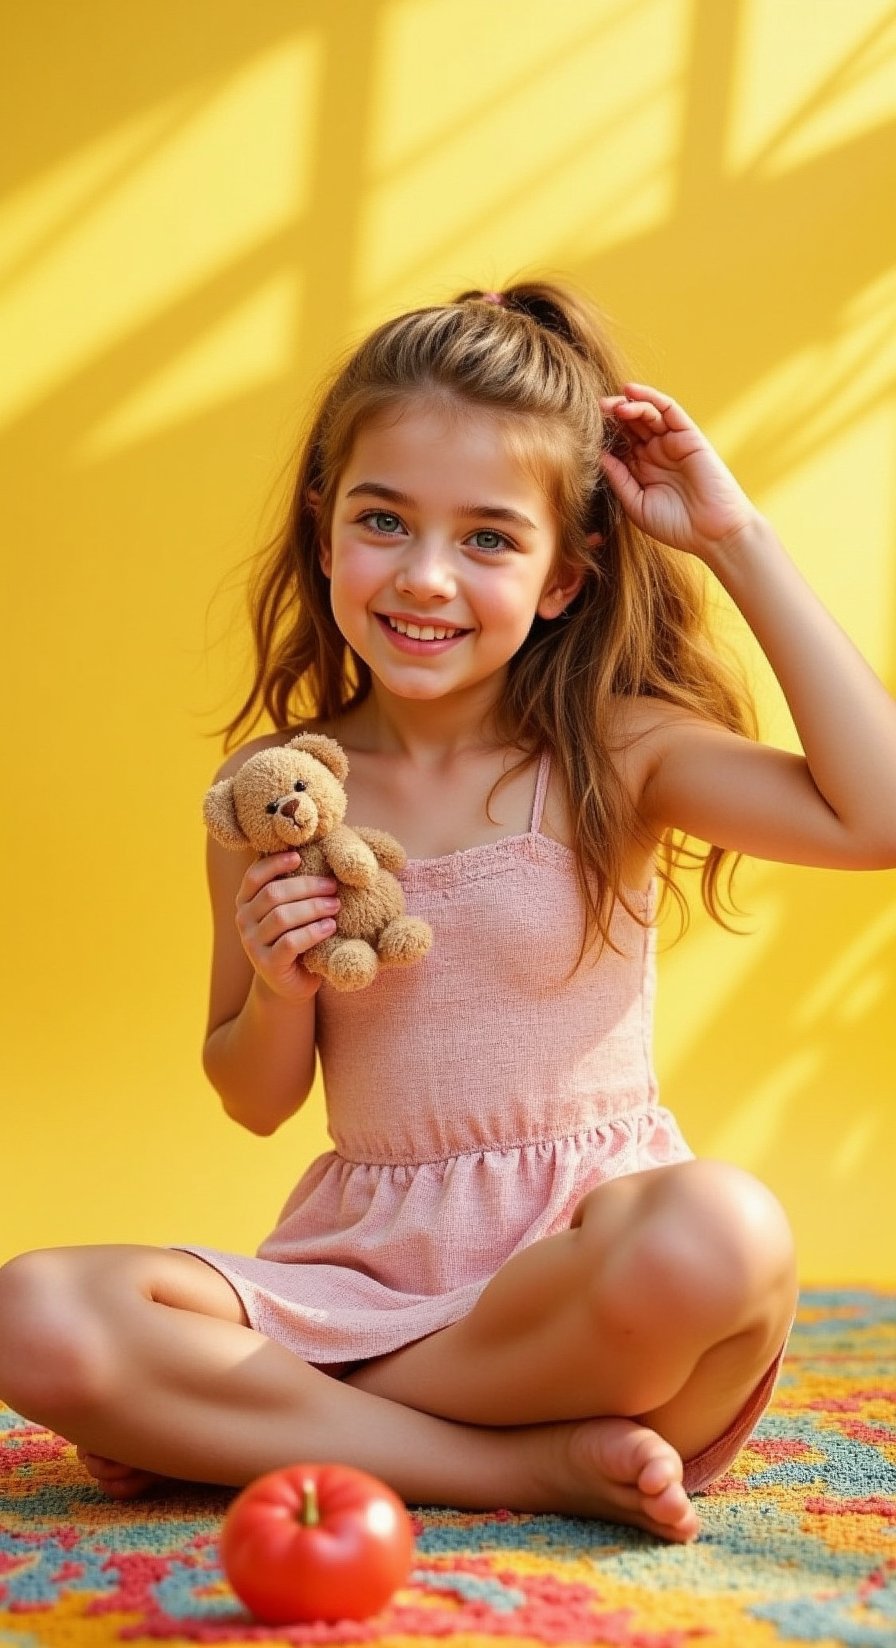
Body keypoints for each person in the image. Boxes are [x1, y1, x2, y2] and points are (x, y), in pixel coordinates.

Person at [2, 281, 894, 1545]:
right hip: (356, 1274)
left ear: (564, 577)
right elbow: (251, 1094)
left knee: (723, 1232)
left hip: (588, 1296)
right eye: (384, 520)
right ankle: (520, 1469)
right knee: (30, 1311)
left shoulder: (612, 750)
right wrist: (280, 983)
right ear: (324, 531)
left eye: (487, 538)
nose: (425, 576)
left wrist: (734, 534)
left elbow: (881, 819)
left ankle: (275, 1418)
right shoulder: (278, 796)